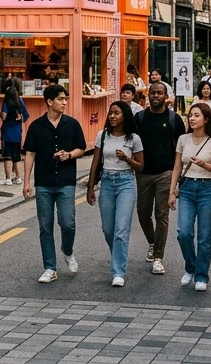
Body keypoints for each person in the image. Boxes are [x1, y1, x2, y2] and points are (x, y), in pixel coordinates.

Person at [22, 84, 86, 284]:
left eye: (65, 99)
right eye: (60, 99)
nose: (64, 102)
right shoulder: (36, 126)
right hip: (44, 182)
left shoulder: (72, 124)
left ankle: (67, 250)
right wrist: (26, 181)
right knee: (45, 226)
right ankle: (50, 268)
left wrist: (70, 155)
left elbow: (82, 148)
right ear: (49, 102)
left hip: (66, 181)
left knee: (67, 223)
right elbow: (30, 154)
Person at [85, 102, 144, 287]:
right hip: (107, 183)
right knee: (108, 229)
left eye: (116, 113)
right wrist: (90, 187)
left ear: (124, 116)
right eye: (110, 113)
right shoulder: (102, 136)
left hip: (126, 182)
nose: (112, 116)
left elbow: (141, 166)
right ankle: (118, 255)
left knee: (121, 230)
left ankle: (118, 271)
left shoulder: (134, 138)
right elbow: (95, 162)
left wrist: (126, 158)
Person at [169, 102, 211, 292]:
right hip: (186, 188)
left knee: (204, 237)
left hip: (207, 189)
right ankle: (190, 267)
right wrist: (172, 191)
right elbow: (177, 166)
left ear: (206, 119)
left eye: (196, 115)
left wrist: (204, 165)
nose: (192, 118)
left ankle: (201, 275)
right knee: (183, 233)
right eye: (190, 115)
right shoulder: (183, 139)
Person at [135, 81, 185, 275]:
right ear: (148, 95)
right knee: (143, 213)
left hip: (166, 172)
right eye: (152, 93)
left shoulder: (174, 119)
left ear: (166, 96)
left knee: (161, 215)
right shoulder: (139, 118)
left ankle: (158, 257)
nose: (155, 96)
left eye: (159, 93)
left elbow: (181, 149)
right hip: (143, 173)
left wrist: (177, 176)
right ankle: (152, 242)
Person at [0, 83, 30, 186]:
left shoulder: (6, 102)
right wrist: (19, 119)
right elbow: (26, 115)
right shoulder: (20, 101)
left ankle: (8, 178)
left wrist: (2, 116)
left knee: (7, 156)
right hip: (17, 133)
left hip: (7, 132)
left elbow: (4, 115)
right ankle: (18, 177)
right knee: (16, 156)